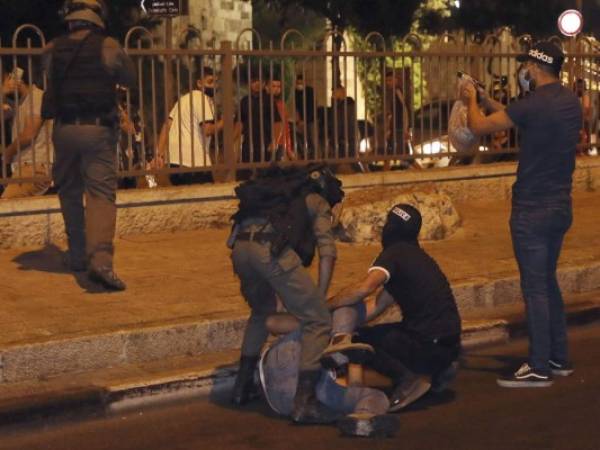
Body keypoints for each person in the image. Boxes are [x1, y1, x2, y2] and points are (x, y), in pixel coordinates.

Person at [461, 41, 582, 387]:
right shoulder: (568, 102)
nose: (524, 69)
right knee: (548, 283)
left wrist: (470, 99)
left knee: (536, 289)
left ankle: (538, 366)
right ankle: (558, 358)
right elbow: (517, 115)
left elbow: (479, 127)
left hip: (532, 209)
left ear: (536, 66)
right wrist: (487, 101)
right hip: (561, 205)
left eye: (527, 63)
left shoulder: (533, 105)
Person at [228, 164, 344, 424]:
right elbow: (328, 253)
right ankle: (305, 402)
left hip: (240, 249)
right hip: (270, 251)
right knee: (319, 321)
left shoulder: (277, 195)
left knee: (261, 312)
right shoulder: (317, 201)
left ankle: (241, 387)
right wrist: (320, 298)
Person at [325, 204, 462, 411]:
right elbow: (378, 305)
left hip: (427, 346)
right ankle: (440, 371)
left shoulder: (394, 253)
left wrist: (327, 306)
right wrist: (343, 325)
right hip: (449, 347)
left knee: (360, 342)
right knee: (379, 333)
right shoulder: (416, 257)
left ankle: (408, 380)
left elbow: (364, 288)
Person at [42, 0, 135, 290]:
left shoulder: (50, 49)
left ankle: (78, 255)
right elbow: (129, 77)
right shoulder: (108, 46)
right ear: (97, 20)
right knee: (100, 195)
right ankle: (100, 262)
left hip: (63, 129)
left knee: (69, 191)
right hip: (97, 130)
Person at [258, 311, 398, 438]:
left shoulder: (311, 328)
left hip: (284, 401)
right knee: (376, 396)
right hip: (302, 382)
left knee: (365, 392)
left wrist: (352, 361)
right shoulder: (321, 321)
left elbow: (354, 383)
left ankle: (362, 420)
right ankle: (364, 412)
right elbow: (272, 323)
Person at [156, 67, 223, 185]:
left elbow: (167, 125)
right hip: (194, 162)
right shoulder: (203, 99)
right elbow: (207, 130)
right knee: (207, 198)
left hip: (174, 161)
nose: (214, 86)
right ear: (199, 83)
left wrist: (160, 155)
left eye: (215, 82)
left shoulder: (183, 100)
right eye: (210, 82)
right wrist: (224, 122)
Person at [1, 67, 53, 199]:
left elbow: (28, 135)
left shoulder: (37, 97)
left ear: (16, 78)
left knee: (5, 207)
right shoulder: (19, 104)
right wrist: (2, 93)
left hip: (34, 168)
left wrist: (8, 153)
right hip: (24, 169)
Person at [238, 66, 269, 164]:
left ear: (264, 83)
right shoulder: (244, 101)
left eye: (260, 81)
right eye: (254, 81)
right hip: (248, 144)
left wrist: (275, 142)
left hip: (266, 144)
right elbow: (240, 123)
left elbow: (278, 122)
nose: (257, 84)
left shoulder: (269, 100)